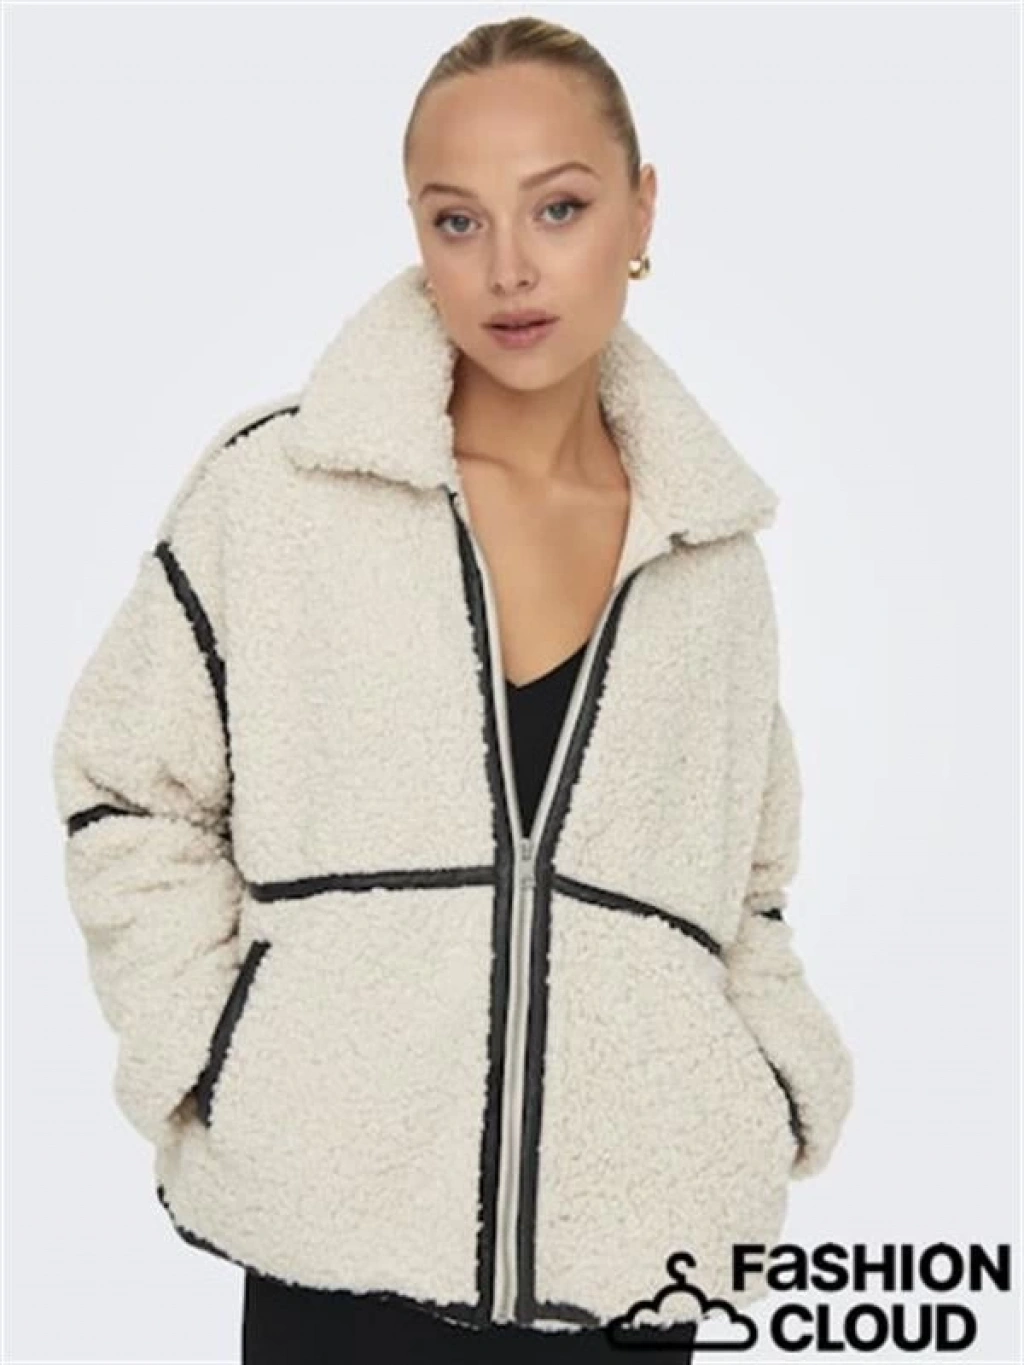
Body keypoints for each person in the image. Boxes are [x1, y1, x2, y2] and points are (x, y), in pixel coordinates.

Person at [51, 14, 855, 1364]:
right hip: (334, 1255)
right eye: (458, 220)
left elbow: (748, 890)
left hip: (636, 1270)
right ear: (417, 232)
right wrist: (220, 1049)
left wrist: (759, 1087)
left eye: (560, 207)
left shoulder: (709, 561)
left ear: (642, 211)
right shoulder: (280, 494)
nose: (511, 268)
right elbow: (129, 789)